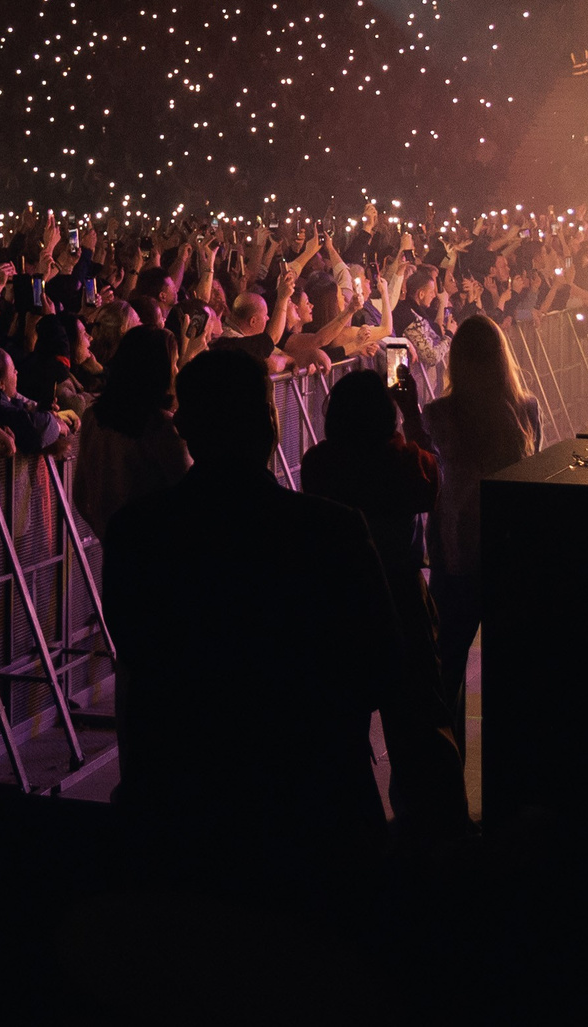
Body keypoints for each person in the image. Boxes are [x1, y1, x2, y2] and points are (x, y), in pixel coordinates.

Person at [103, 347, 401, 854]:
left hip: (183, 813)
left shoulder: (137, 533)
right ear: (269, 420)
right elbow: (381, 666)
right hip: (313, 810)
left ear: (187, 428)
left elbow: (139, 651)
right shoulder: (332, 531)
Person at [299, 368, 469, 840]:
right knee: (422, 722)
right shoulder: (400, 460)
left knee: (344, 723)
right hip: (400, 594)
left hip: (340, 599)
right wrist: (413, 416)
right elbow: (434, 476)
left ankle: (355, 832)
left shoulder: (319, 464)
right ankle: (438, 828)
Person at [419, 314, 542, 758]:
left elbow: (427, 462)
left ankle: (447, 777)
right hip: (504, 537)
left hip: (454, 538)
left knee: (447, 660)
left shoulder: (439, 413)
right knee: (511, 664)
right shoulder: (525, 408)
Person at [70, 325, 187, 539]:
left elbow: (80, 495)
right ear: (158, 370)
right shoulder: (163, 429)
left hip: (117, 554)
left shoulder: (93, 417)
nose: (177, 371)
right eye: (175, 363)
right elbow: (192, 497)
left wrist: (107, 537)